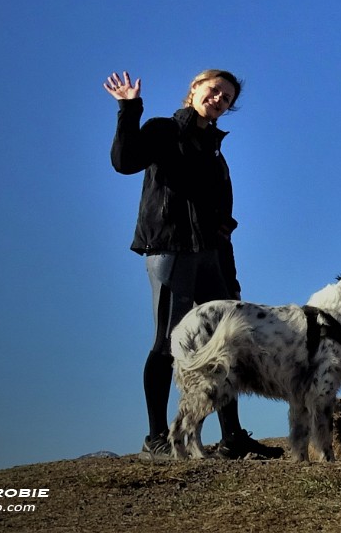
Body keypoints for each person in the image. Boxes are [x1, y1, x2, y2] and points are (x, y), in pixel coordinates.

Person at [104, 68, 279, 460]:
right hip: (170, 250)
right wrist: (129, 108)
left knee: (226, 342)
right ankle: (156, 440)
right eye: (215, 90)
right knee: (169, 343)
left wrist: (229, 279)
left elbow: (222, 224)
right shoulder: (165, 130)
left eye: (227, 98)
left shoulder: (216, 152)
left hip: (212, 257)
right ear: (195, 89)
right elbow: (124, 160)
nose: (219, 99)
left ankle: (232, 437)